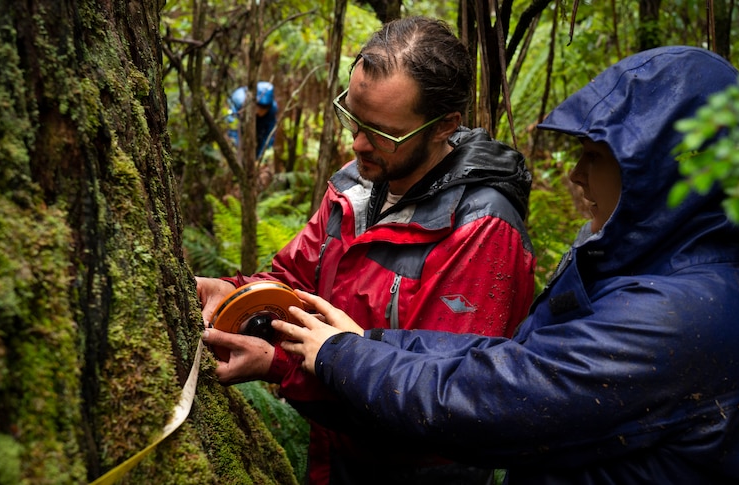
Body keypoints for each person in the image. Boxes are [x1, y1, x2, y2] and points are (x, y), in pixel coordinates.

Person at [267, 45, 739, 484]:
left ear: (663, 174)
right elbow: (507, 358)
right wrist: (367, 344)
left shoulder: (685, 314)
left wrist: (339, 358)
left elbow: (503, 397)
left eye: (596, 158)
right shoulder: (659, 273)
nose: (577, 177)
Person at [199, 16, 536, 485]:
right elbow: (294, 281)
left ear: (445, 127)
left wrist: (281, 367)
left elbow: (445, 400)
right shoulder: (358, 186)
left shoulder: (482, 233)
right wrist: (233, 292)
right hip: (336, 454)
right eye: (353, 119)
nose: (357, 143)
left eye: (382, 132)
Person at [227, 80, 278, 159]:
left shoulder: (272, 110)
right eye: (260, 107)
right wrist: (237, 148)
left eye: (265, 108)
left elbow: (269, 133)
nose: (261, 111)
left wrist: (261, 155)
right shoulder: (240, 103)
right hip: (242, 123)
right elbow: (233, 128)